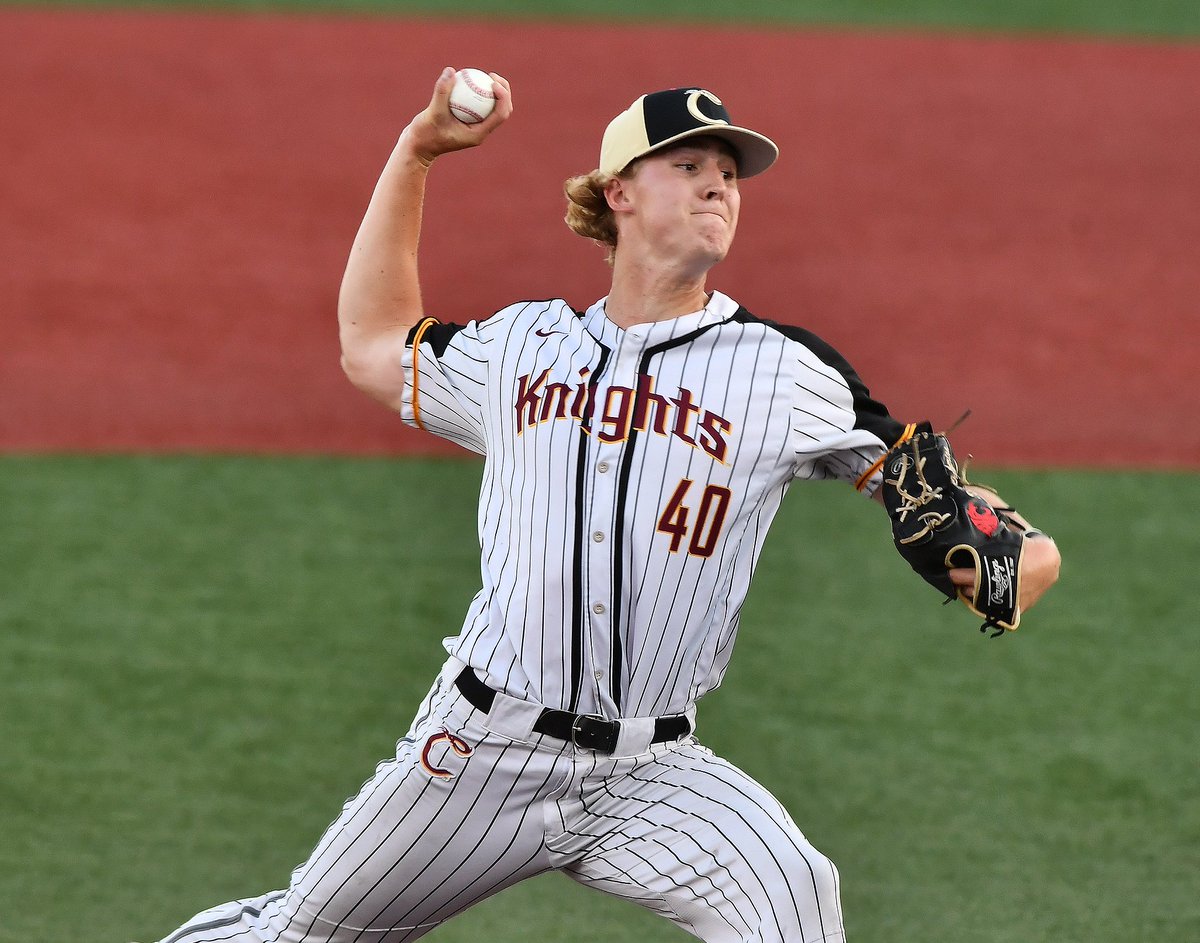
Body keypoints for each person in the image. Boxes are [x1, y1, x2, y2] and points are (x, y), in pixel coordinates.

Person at [154, 69, 1060, 943]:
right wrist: (416, 153)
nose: (718, 186)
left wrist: (1005, 546)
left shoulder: (786, 371)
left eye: (728, 174)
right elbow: (372, 342)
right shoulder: (520, 349)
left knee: (793, 896)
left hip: (650, 770)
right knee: (296, 934)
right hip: (479, 753)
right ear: (618, 193)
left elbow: (932, 495)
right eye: (688, 166)